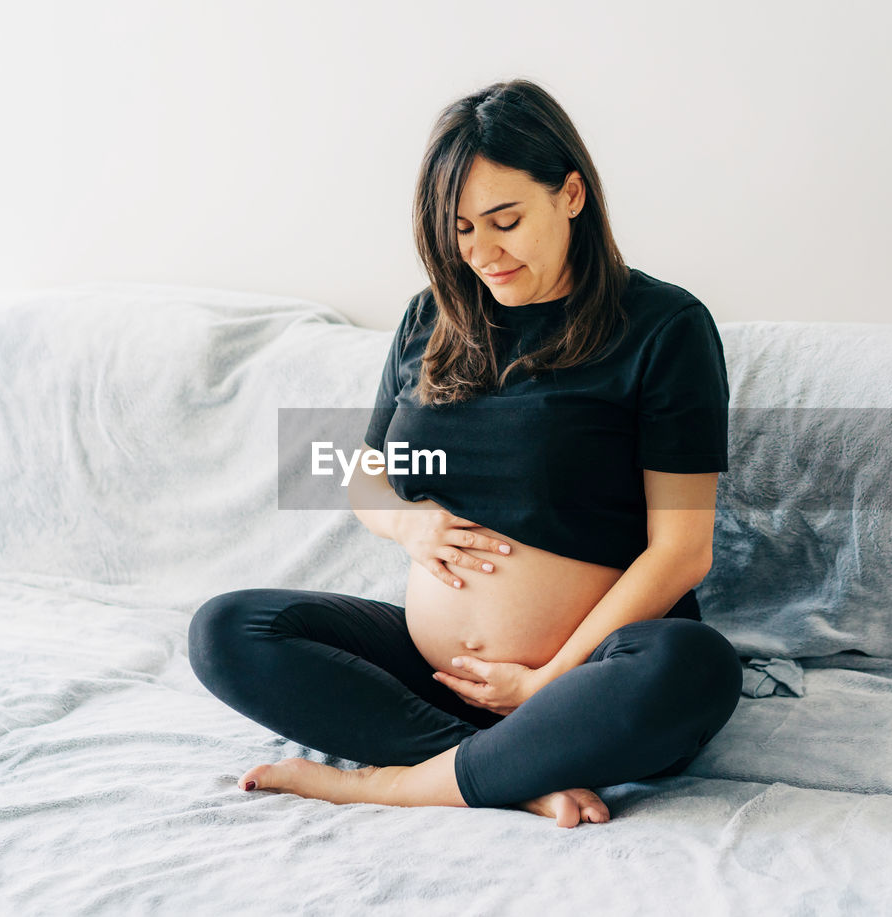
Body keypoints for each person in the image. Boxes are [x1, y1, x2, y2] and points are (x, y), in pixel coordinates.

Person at [188, 78, 744, 828]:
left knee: (695, 666)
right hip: (441, 680)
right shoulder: (433, 317)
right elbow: (363, 474)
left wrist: (548, 678)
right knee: (227, 629)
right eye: (459, 230)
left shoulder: (663, 328)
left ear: (571, 194)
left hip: (586, 679)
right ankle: (504, 769)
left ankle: (389, 784)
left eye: (504, 220)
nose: (482, 252)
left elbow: (682, 552)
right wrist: (406, 525)